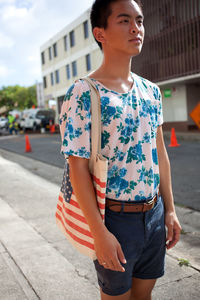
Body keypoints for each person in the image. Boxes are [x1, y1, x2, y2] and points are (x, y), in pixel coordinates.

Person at [59, 0, 182, 299]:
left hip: (153, 214)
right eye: (124, 20)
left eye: (139, 21)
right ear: (100, 33)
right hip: (114, 219)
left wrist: (170, 210)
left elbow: (160, 156)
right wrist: (99, 233)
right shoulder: (83, 92)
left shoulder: (151, 91)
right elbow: (77, 168)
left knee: (144, 296)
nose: (136, 28)